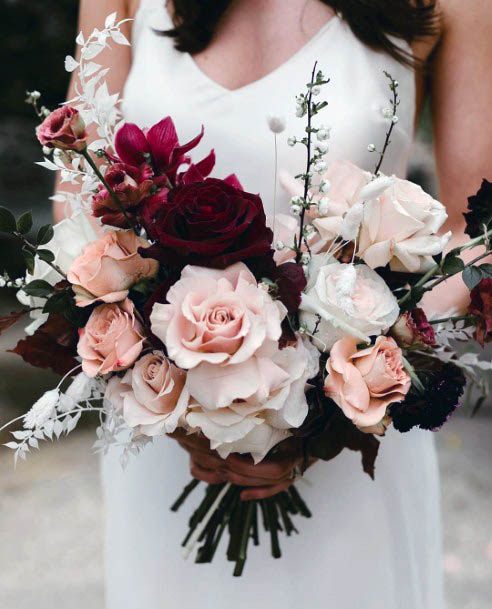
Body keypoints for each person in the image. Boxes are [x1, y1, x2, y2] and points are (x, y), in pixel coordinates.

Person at [57, 1, 492, 608]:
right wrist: (179, 393)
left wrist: (331, 401)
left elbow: (477, 228)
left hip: (356, 431)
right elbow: (78, 189)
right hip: (164, 427)